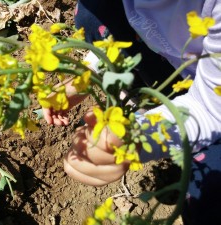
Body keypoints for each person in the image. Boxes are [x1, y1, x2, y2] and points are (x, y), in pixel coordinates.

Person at [43, 0, 221, 224]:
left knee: (209, 205)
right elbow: (130, 21)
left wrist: (137, 137)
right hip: (187, 69)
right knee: (94, 14)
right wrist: (87, 76)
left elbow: (210, 110)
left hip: (214, 104)